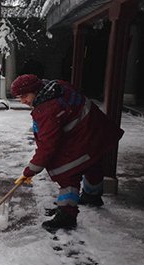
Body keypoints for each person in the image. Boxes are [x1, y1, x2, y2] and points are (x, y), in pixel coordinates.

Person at [11, 74, 124, 231]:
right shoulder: (57, 86)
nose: (23, 101)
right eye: (19, 97)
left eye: (24, 96)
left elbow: (47, 146)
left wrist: (31, 170)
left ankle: (67, 215)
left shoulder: (47, 110)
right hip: (97, 130)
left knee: (66, 172)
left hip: (88, 134)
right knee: (92, 162)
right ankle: (92, 196)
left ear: (36, 90)